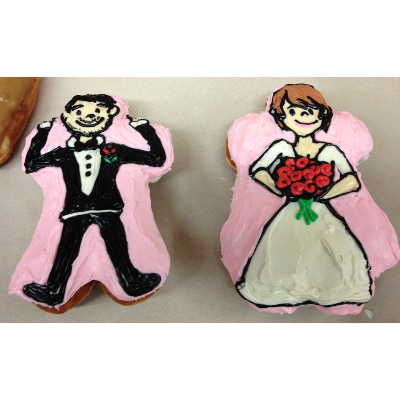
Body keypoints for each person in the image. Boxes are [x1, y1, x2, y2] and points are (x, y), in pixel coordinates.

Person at [236, 84, 372, 308]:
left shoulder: (330, 151)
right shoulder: (281, 148)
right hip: (291, 207)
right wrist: (281, 189)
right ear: (282, 118)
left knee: (332, 247)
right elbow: (258, 170)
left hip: (319, 210)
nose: (302, 117)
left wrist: (323, 194)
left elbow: (351, 179)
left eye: (309, 111)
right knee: (283, 248)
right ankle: (286, 290)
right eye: (293, 112)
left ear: (321, 114)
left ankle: (330, 289)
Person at [23, 94, 166, 306]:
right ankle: (53, 288)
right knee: (65, 251)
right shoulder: (62, 153)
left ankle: (133, 280)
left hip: (107, 206)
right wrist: (42, 133)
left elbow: (156, 158)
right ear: (68, 116)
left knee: (119, 247)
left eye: (97, 111)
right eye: (79, 111)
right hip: (73, 209)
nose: (87, 116)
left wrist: (144, 129)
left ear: (110, 115)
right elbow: (32, 163)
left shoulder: (114, 150)